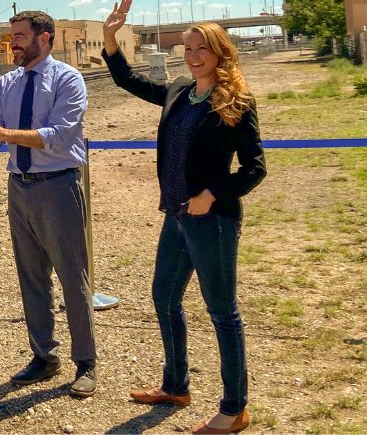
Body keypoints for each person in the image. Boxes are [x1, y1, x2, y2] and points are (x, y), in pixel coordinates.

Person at [101, 1, 266, 433]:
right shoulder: (178, 89)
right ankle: (176, 385)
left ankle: (235, 408)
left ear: (220, 53)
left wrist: (212, 195)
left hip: (211, 221)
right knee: (164, 298)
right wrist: (110, 39)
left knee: (222, 312)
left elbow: (255, 168)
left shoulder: (236, 101)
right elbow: (128, 80)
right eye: (188, 48)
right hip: (175, 217)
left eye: (201, 49)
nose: (192, 56)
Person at [0, 10, 98, 398]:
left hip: (58, 186)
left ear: (45, 38)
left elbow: (58, 135)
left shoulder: (68, 79)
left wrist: (4, 132)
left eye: (20, 36)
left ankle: (86, 362)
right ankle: (45, 356)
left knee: (73, 277)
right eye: (12, 36)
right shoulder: (7, 82)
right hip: (19, 187)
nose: (13, 43)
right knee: (31, 277)